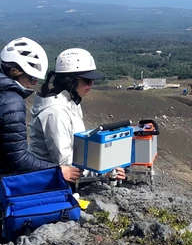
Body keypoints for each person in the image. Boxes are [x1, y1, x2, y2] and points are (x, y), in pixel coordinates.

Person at [29, 48, 125, 182]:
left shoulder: (71, 103)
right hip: (50, 184)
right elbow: (66, 164)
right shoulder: (55, 113)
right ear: (70, 80)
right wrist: (103, 171)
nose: (91, 84)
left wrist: (107, 165)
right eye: (87, 80)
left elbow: (78, 151)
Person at [0, 36, 80, 181]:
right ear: (15, 72)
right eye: (32, 78)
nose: (33, 84)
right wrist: (57, 170)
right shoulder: (12, 102)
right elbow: (19, 160)